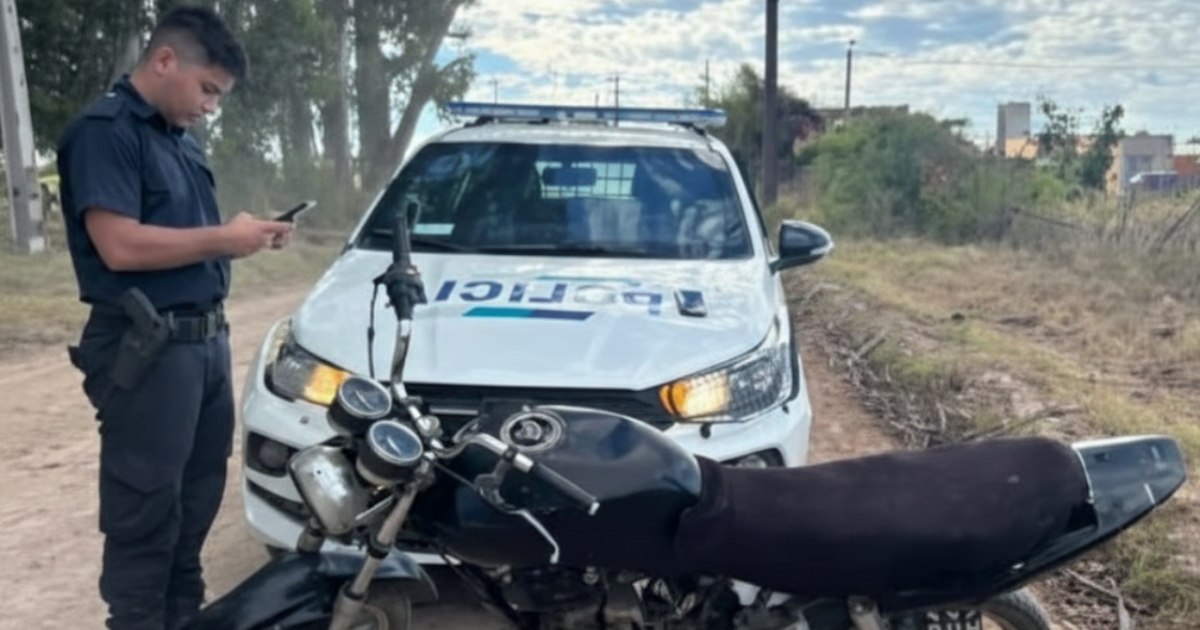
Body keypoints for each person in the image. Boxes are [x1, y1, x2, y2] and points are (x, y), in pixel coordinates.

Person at [55, 7, 293, 630]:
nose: (211, 107)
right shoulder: (105, 132)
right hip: (147, 348)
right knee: (145, 512)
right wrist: (225, 239)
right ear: (164, 60)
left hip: (203, 347)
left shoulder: (180, 141)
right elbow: (119, 246)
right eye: (207, 89)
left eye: (219, 96)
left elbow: (187, 238)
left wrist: (245, 236)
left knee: (193, 506)